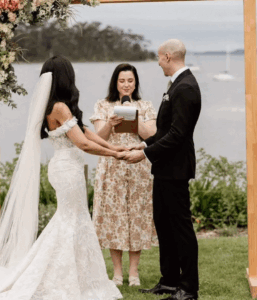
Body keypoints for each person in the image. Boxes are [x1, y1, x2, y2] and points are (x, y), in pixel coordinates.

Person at [0, 56, 124, 300]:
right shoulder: (60, 107)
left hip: (65, 167)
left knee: (74, 219)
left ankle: (74, 276)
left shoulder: (57, 106)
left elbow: (87, 133)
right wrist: (115, 154)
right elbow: (82, 143)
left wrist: (116, 149)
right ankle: (61, 276)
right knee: (70, 220)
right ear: (66, 77)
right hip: (67, 169)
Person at [124, 39, 201, 300]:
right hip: (164, 168)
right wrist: (144, 144)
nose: (157, 62)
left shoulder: (186, 87)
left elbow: (178, 134)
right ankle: (169, 281)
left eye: (158, 57)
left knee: (180, 228)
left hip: (176, 170)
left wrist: (145, 154)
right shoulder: (176, 85)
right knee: (164, 225)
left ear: (168, 56)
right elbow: (165, 131)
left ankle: (189, 288)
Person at [89, 63, 159, 287]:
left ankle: (134, 273)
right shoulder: (103, 105)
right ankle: (117, 273)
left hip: (138, 167)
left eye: (130, 80)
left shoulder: (146, 106)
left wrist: (135, 119)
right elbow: (97, 138)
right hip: (112, 167)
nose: (126, 85)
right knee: (114, 218)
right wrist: (110, 123)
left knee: (136, 218)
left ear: (135, 82)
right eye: (122, 81)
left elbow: (152, 136)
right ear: (115, 83)